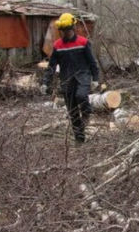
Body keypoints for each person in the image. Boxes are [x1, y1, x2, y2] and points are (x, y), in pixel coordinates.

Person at [41, 13, 99, 143]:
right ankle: (80, 138)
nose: (65, 33)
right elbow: (51, 66)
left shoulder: (83, 42)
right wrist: (45, 82)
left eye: (67, 30)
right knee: (72, 112)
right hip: (66, 80)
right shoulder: (57, 46)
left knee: (81, 96)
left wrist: (95, 78)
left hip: (82, 76)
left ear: (72, 28)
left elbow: (92, 62)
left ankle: (87, 113)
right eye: (63, 31)